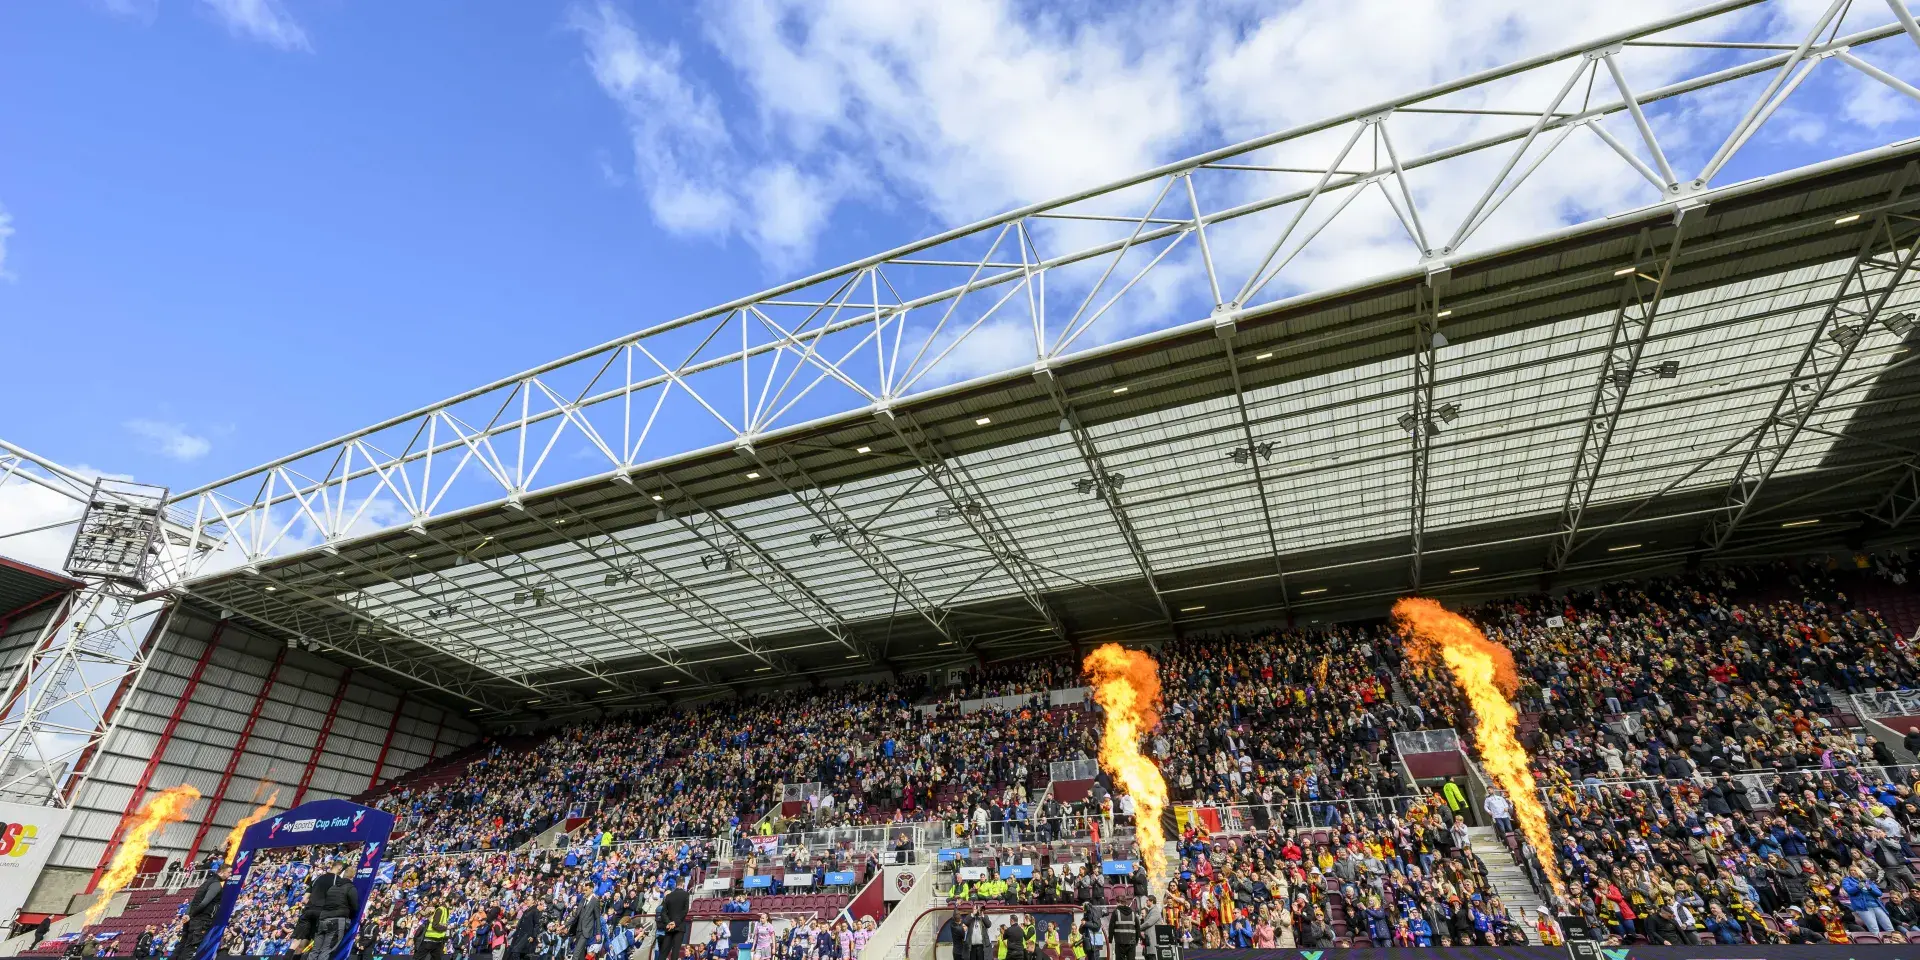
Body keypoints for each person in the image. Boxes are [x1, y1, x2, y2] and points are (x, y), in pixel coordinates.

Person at [168, 858, 224, 960]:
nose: (230, 874)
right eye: (229, 872)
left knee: (182, 945)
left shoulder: (206, 883)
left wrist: (188, 914)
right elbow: (205, 902)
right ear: (221, 872)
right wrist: (191, 915)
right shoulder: (215, 884)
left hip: (191, 918)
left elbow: (194, 900)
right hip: (200, 919)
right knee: (191, 948)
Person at [309, 859, 361, 960]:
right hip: (336, 921)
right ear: (352, 876)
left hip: (323, 920)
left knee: (315, 950)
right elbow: (355, 907)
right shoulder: (350, 888)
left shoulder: (332, 887)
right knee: (327, 950)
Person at [568, 882, 604, 960]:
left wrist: (598, 933)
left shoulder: (595, 901)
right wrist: (565, 925)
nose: (584, 892)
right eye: (584, 890)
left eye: (586, 890)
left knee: (576, 954)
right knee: (580, 954)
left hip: (586, 931)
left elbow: (597, 918)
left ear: (591, 889)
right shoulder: (583, 899)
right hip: (578, 930)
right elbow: (576, 915)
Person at [655, 880, 690, 960]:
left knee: (664, 952)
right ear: (683, 884)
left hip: (669, 927)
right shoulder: (685, 894)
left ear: (676, 885)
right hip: (679, 926)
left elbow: (663, 913)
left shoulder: (668, 896)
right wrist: (675, 922)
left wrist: (668, 922)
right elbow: (685, 911)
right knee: (675, 950)